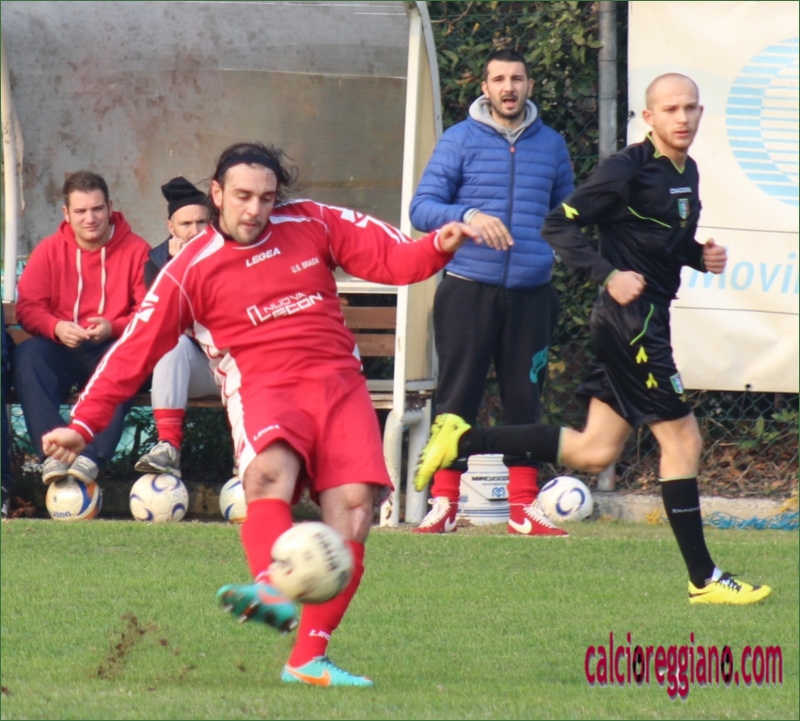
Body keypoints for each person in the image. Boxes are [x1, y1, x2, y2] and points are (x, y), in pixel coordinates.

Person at [41, 142, 480, 686]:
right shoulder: (188, 269)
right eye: (243, 196)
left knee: (355, 512)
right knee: (270, 471)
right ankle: (271, 586)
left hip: (338, 385)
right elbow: (133, 351)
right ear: (217, 193)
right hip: (264, 384)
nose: (255, 209)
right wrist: (82, 424)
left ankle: (308, 659)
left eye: (267, 198)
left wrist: (438, 245)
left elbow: (391, 259)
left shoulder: (312, 221)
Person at [414, 74, 771, 605]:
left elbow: (660, 239)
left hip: (643, 319)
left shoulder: (686, 170)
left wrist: (699, 256)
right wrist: (608, 275)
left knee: (593, 451)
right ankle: (704, 579)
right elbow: (558, 224)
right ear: (648, 117)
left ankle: (461, 441)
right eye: (670, 109)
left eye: (691, 107)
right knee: (684, 442)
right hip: (632, 324)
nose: (682, 118)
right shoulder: (625, 169)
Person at [408, 48, 574, 536]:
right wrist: (469, 217)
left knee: (525, 402)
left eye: (516, 79)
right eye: (498, 79)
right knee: (457, 397)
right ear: (484, 88)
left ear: (529, 86)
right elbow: (422, 208)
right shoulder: (459, 139)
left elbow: (567, 215)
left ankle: (523, 507)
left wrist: (553, 254)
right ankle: (444, 503)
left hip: (531, 294)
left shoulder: (552, 145)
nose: (508, 87)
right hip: (467, 289)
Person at [14, 171, 150, 487]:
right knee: (29, 355)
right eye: (80, 211)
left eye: (97, 209)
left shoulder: (137, 250)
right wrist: (56, 326)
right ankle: (54, 455)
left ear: (110, 207)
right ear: (66, 213)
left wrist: (113, 327)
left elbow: (149, 313)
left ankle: (90, 457)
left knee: (125, 358)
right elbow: (28, 308)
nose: (90, 218)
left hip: (111, 346)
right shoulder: (49, 250)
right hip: (63, 349)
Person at [134, 177, 217, 477]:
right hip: (200, 369)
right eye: (186, 224)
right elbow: (167, 322)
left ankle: (250, 459)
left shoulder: (231, 252)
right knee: (170, 343)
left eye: (201, 222)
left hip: (241, 364)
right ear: (171, 228)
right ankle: (167, 447)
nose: (195, 231)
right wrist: (178, 267)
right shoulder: (158, 263)